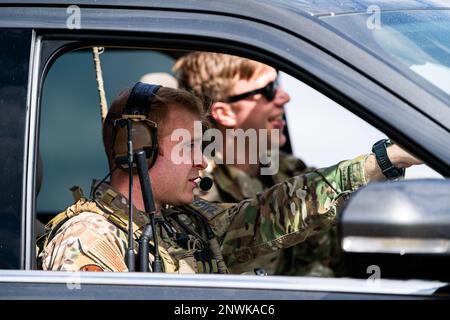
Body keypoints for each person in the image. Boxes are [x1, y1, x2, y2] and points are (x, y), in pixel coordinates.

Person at [37, 82, 421, 273]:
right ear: (138, 149)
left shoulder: (183, 223)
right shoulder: (88, 241)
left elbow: (277, 211)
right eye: (189, 146)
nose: (203, 162)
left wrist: (384, 160)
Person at [172, 52, 400, 276]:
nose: (284, 97)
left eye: (277, 84)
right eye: (268, 90)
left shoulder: (286, 169)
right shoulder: (192, 187)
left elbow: (337, 240)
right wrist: (387, 159)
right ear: (225, 113)